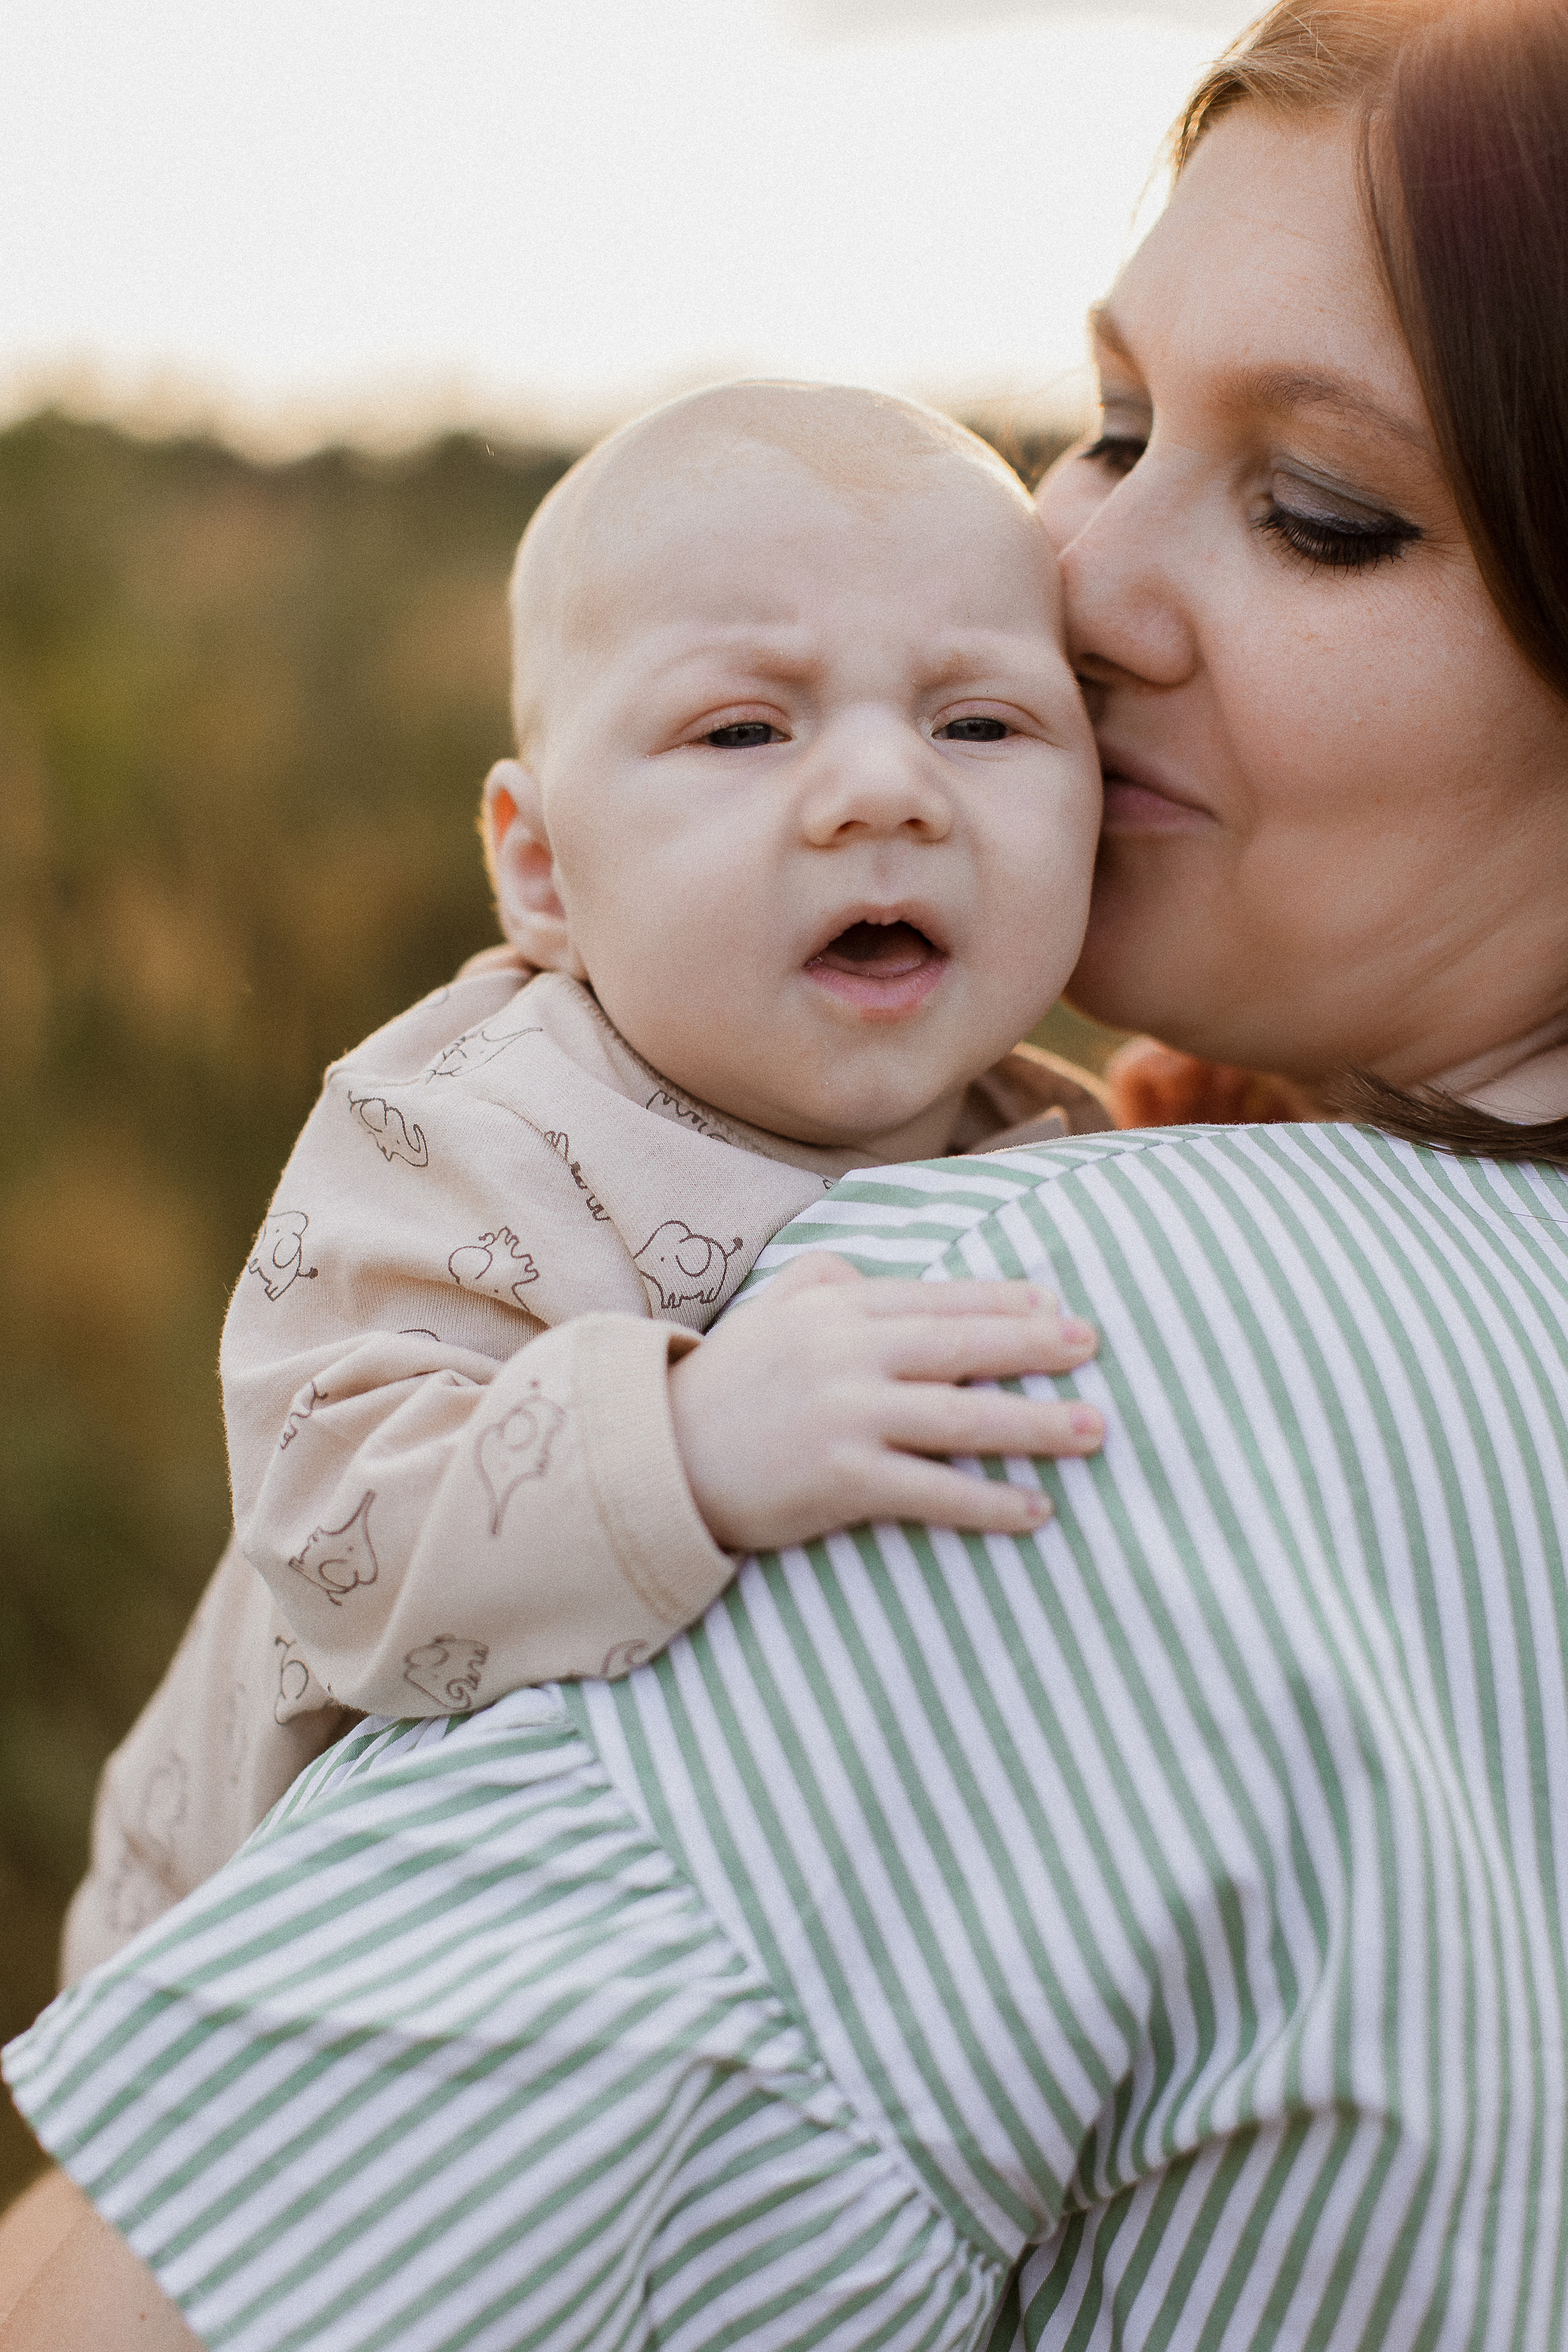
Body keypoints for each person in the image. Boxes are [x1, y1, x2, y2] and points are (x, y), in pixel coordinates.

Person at [7, 0, 1568, 2344]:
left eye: (1319, 512)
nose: (1085, 587)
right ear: (533, 856)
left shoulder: (1061, 1342)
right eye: (1112, 427)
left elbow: (148, 2306)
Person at [55, 379, 1112, 1978]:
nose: (890, 789)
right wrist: (682, 1442)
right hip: (280, 1974)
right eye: (745, 729)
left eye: (981, 722)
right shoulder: (472, 1125)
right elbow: (332, 1508)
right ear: (541, 868)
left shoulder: (1062, 1152)